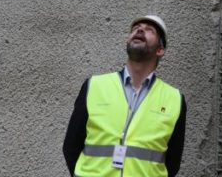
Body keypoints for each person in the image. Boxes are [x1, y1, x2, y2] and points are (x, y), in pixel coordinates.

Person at [63, 15, 186, 177]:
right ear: (127, 42)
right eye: (136, 29)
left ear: (160, 50)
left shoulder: (174, 99)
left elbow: (172, 163)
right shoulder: (94, 86)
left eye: (150, 30)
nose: (140, 30)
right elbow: (71, 147)